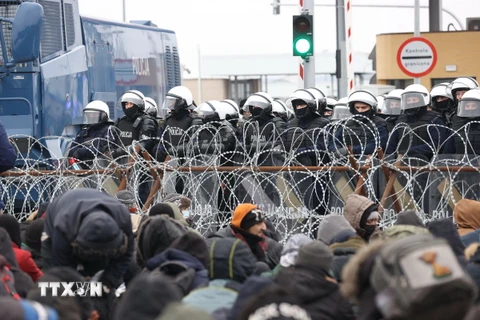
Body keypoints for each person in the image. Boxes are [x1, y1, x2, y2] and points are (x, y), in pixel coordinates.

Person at [41, 189, 134, 293]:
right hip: (61, 217)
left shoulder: (123, 218)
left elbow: (126, 256)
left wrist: (107, 282)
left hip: (81, 215)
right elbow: (62, 268)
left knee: (103, 285)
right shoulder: (63, 227)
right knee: (55, 284)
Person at [386, 84, 445, 161]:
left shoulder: (434, 119)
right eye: (409, 100)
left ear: (422, 100)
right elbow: (391, 145)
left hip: (428, 163)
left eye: (414, 100)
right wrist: (390, 161)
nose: (411, 103)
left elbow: (437, 143)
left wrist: (411, 151)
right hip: (402, 163)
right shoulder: (401, 120)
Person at [329, 89, 388, 157]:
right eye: (357, 107)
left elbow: (376, 146)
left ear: (372, 108)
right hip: (345, 161)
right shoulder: (347, 123)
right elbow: (334, 141)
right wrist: (337, 150)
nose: (360, 110)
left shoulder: (379, 124)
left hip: (369, 162)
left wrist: (350, 150)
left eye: (363, 108)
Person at [155, 86, 203, 162]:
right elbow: (159, 141)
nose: (169, 105)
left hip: (187, 165)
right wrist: (160, 151)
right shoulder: (167, 120)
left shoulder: (194, 121)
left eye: (172, 101)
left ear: (181, 102)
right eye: (169, 101)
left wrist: (173, 150)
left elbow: (194, 145)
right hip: (168, 163)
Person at [110, 90, 158, 160]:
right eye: (126, 104)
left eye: (131, 104)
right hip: (119, 163)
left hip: (141, 163)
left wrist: (122, 151)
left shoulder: (146, 121)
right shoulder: (120, 122)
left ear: (138, 105)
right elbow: (111, 140)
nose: (128, 107)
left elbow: (145, 143)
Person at [67, 100, 115, 165]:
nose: (91, 116)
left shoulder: (109, 130)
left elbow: (104, 150)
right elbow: (72, 148)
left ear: (103, 116)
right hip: (81, 167)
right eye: (89, 114)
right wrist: (78, 153)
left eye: (94, 114)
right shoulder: (85, 130)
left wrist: (81, 152)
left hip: (99, 168)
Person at [452, 89, 480, 155]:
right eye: (467, 106)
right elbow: (449, 147)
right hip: (461, 162)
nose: (470, 108)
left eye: (473, 106)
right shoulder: (457, 123)